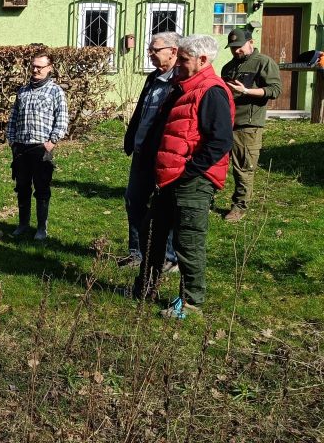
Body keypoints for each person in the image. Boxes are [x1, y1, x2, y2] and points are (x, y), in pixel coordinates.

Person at [135, 34, 234, 319]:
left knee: (188, 242)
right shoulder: (182, 88)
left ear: (203, 60)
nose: (177, 63)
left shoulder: (212, 91)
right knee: (151, 233)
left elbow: (220, 141)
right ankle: (144, 289)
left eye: (184, 59)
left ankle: (190, 304)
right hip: (169, 178)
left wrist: (189, 171)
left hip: (192, 181)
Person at [120, 32, 180, 271]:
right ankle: (137, 252)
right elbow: (141, 113)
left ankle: (168, 256)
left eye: (155, 50)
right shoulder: (153, 77)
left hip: (164, 156)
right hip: (141, 151)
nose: (150, 54)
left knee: (164, 206)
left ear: (173, 51)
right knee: (134, 200)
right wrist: (131, 138)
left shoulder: (180, 82)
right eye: (150, 49)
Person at [220, 28, 282, 222]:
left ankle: (239, 206)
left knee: (243, 167)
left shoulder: (264, 62)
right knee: (216, 163)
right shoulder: (228, 67)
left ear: (251, 42)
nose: (235, 50)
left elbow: (275, 90)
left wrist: (246, 91)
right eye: (232, 47)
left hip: (248, 123)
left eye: (239, 46)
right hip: (226, 122)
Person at [6, 49, 69, 240]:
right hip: (21, 147)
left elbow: (62, 118)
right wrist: (11, 139)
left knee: (42, 188)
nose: (35, 70)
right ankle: (23, 225)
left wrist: (52, 142)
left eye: (40, 67)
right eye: (33, 66)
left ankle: (42, 228)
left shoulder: (55, 91)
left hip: (41, 147)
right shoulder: (22, 91)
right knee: (22, 187)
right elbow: (14, 116)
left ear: (49, 68)